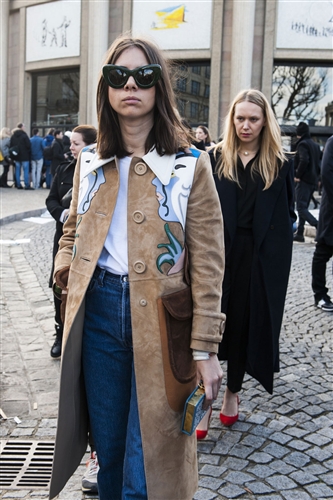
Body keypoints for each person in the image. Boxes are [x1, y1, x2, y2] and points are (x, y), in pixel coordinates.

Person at [49, 34, 225, 500]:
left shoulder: (191, 165)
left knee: (146, 465)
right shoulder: (91, 159)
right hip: (100, 313)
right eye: (117, 75)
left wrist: (206, 348)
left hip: (165, 321)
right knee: (108, 456)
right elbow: (72, 228)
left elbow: (209, 262)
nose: (131, 84)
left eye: (143, 75)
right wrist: (67, 270)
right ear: (106, 88)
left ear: (159, 86)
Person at [208, 89, 296, 430]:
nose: (246, 125)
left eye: (253, 119)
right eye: (240, 118)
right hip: (219, 253)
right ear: (232, 119)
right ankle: (204, 392)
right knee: (212, 319)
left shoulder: (279, 162)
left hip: (258, 257)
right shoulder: (215, 157)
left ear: (265, 122)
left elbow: (287, 213)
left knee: (245, 323)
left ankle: (232, 392)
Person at [46, 124, 100, 494]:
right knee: (92, 388)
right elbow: (67, 221)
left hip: (132, 294)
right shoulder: (77, 166)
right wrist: (64, 264)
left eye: (78, 144)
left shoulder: (186, 163)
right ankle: (97, 455)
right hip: (82, 280)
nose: (74, 149)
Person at [311, 135, 333, 312]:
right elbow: (326, 173)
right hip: (332, 209)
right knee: (323, 251)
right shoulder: (332, 141)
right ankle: (320, 294)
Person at [293, 122, 321, 242]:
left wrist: (298, 175)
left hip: (304, 180)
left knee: (300, 208)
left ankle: (319, 226)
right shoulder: (314, 145)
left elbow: (304, 160)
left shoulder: (302, 144)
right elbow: (319, 163)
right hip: (313, 180)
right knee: (303, 207)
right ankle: (300, 233)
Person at [9, 123, 32, 189]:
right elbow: (28, 145)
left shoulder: (13, 136)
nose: (24, 127)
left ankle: (18, 184)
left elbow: (11, 146)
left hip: (16, 156)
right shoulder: (24, 135)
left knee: (17, 171)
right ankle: (26, 185)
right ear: (21, 127)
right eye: (24, 126)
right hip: (24, 156)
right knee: (25, 171)